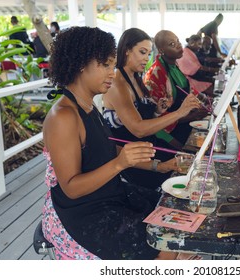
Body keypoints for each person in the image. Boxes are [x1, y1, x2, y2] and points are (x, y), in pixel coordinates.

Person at [42, 26, 181, 260]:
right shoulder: (63, 116)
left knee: (174, 215)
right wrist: (120, 164)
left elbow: (107, 149)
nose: (112, 73)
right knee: (168, 247)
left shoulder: (87, 105)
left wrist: (160, 166)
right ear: (80, 64)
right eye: (105, 65)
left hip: (108, 195)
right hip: (84, 212)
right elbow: (71, 188)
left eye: (112, 65)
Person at [102, 28, 200, 190]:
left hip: (147, 147)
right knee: (183, 172)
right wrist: (179, 113)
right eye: (142, 52)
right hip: (134, 159)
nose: (146, 58)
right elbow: (138, 129)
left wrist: (157, 112)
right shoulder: (117, 84)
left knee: (189, 162)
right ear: (126, 51)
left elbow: (144, 118)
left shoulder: (136, 78)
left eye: (148, 54)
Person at [144, 30, 208, 151]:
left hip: (183, 127)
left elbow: (187, 90)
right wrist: (181, 148)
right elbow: (155, 120)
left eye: (178, 41)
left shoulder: (174, 66)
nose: (178, 45)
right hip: (167, 139)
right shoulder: (155, 76)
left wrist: (204, 101)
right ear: (161, 50)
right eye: (172, 44)